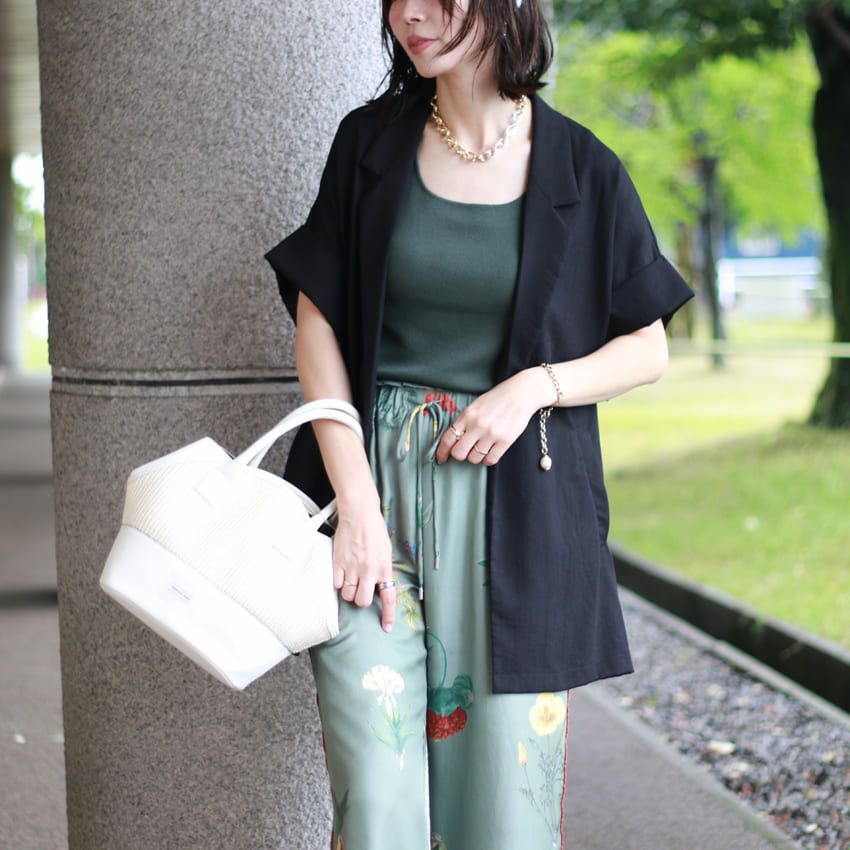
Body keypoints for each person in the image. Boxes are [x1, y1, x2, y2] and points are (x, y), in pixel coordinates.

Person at [264, 2, 695, 848]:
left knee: (501, 812)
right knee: (375, 798)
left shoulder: (583, 169)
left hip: (515, 519)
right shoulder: (370, 144)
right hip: (369, 496)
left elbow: (647, 347)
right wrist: (355, 506)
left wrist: (534, 388)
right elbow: (318, 325)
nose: (409, 13)